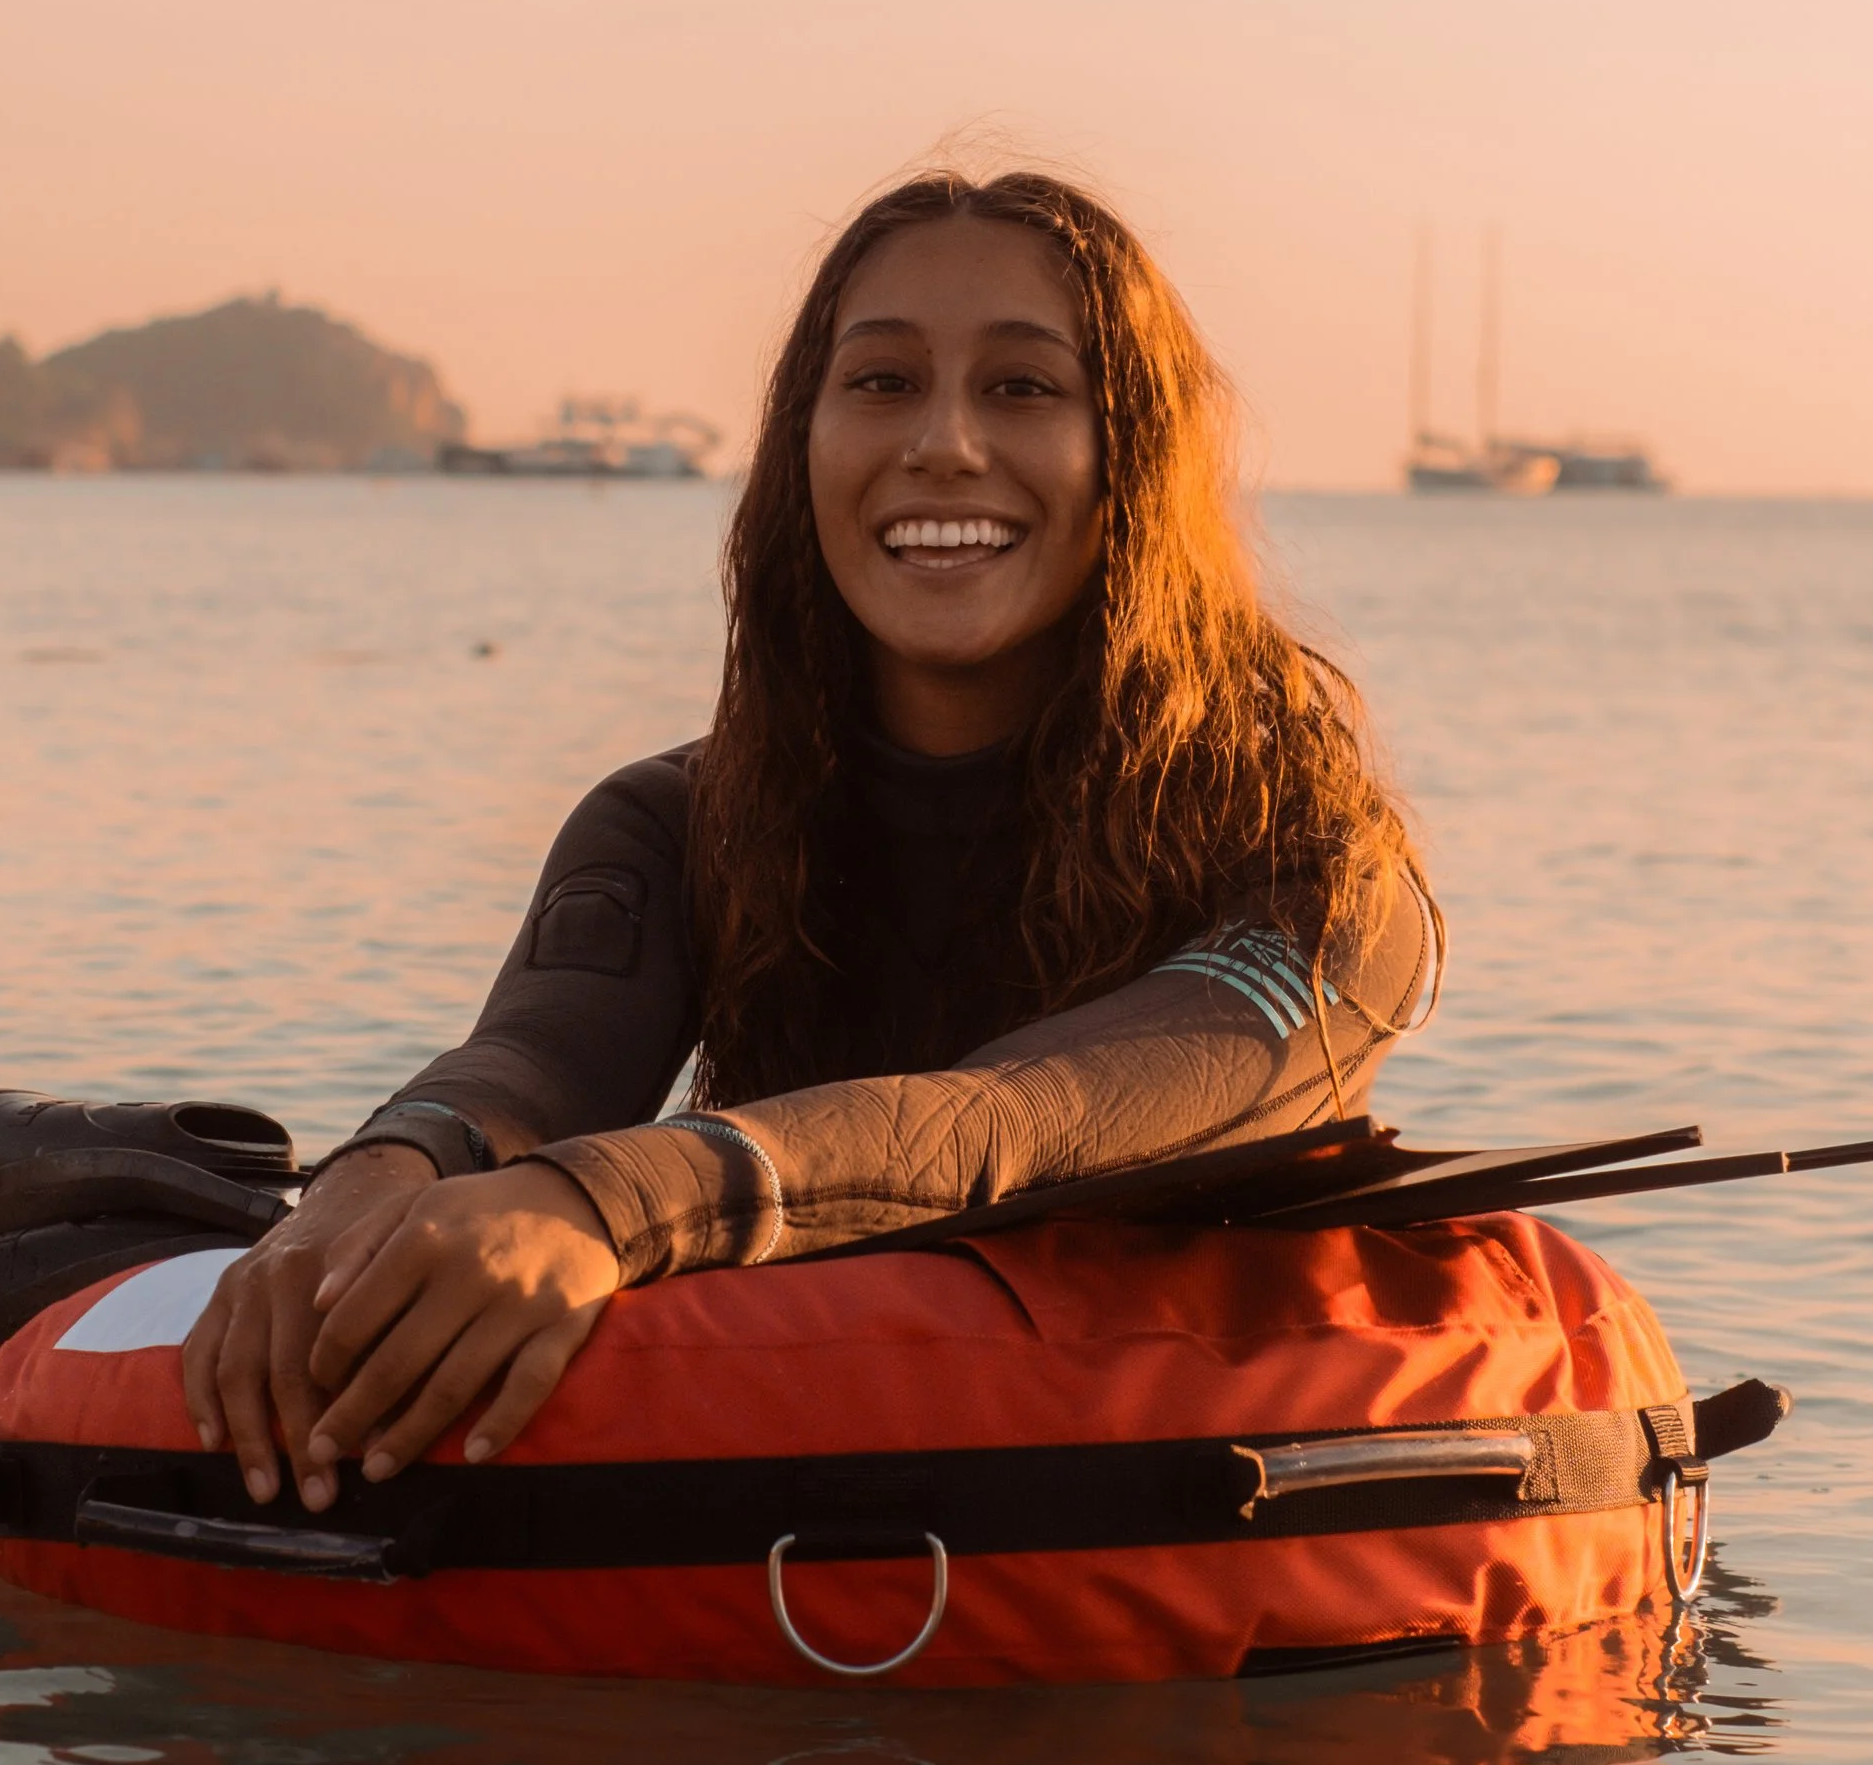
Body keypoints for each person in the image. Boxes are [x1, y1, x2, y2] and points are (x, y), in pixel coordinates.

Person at [182, 169, 1440, 1514]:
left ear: (1133, 452)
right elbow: (535, 1062)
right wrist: (369, 1186)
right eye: (882, 382)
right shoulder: (671, 823)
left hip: (1186, 1568)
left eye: (1023, 387)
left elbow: (1021, 1118)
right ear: (805, 443)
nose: (944, 444)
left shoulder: (1315, 869)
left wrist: (608, 1202)